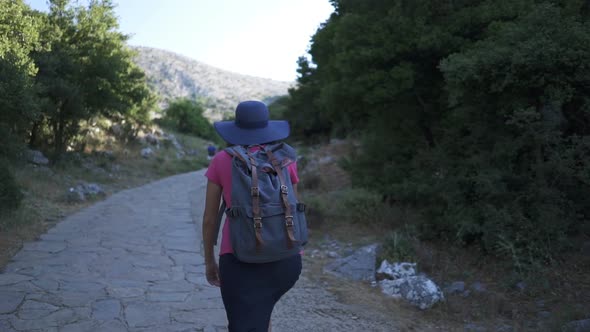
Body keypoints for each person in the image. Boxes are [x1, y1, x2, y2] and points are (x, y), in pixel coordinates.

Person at [201, 100, 302, 331]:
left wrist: (209, 261)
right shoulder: (286, 158)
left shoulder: (221, 160)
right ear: (267, 127)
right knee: (261, 312)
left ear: (236, 128)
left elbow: (209, 219)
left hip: (239, 260)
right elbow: (295, 206)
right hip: (286, 258)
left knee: (243, 323)